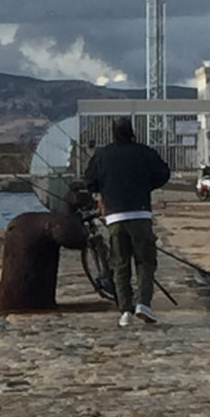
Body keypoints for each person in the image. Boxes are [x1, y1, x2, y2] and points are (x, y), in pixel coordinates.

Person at [83, 116, 171, 327]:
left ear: (112, 133)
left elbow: (89, 181)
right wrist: (146, 186)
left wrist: (104, 191)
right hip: (141, 215)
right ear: (132, 132)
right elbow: (164, 173)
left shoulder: (102, 155)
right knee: (145, 262)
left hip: (114, 217)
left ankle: (125, 311)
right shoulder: (144, 152)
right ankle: (144, 304)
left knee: (120, 264)